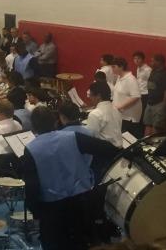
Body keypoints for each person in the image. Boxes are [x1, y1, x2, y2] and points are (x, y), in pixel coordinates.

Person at [22, 106, 120, 250]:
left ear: (34, 127)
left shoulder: (31, 148)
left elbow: (32, 185)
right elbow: (107, 149)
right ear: (55, 122)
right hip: (81, 201)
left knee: (55, 244)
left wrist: (36, 211)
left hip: (51, 208)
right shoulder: (73, 137)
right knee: (82, 242)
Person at [143, 54, 166, 135]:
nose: (151, 63)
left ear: (159, 62)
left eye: (153, 61)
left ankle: (155, 147)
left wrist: (163, 106)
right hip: (150, 103)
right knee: (148, 124)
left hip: (159, 104)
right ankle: (145, 146)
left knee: (157, 127)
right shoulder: (153, 71)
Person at [111, 57, 142, 137]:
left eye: (114, 66)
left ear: (121, 66)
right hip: (121, 115)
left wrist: (119, 107)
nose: (112, 69)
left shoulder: (130, 79)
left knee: (128, 139)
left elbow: (136, 96)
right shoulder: (119, 77)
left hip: (129, 117)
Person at [86, 81, 123, 147]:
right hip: (119, 150)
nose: (90, 98)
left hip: (105, 153)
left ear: (98, 96)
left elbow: (91, 139)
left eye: (91, 95)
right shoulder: (116, 109)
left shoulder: (95, 114)